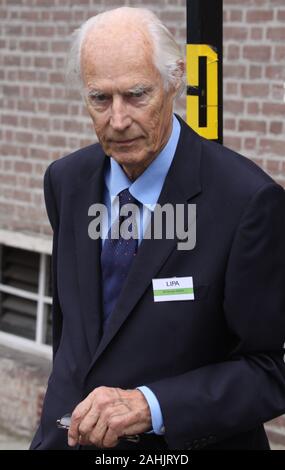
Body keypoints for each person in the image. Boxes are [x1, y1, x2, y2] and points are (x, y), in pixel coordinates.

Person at [30, 7, 285, 450]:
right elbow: (72, 332)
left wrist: (152, 405)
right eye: (100, 99)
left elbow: (270, 370)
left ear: (174, 83)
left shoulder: (247, 202)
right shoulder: (65, 181)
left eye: (136, 95)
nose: (118, 119)